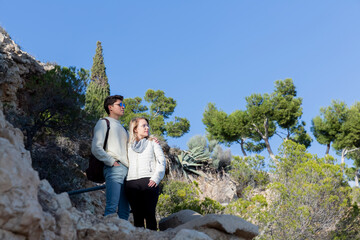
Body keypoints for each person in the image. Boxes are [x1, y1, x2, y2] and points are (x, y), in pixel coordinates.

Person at [91, 95, 130, 220]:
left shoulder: (124, 128)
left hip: (128, 171)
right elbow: (96, 147)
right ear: (110, 107)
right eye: (120, 105)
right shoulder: (104, 122)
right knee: (111, 208)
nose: (123, 107)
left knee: (125, 212)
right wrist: (112, 162)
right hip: (115, 168)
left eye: (123, 105)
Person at [125, 117, 166, 230]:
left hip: (149, 182)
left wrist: (156, 178)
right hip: (131, 183)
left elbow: (161, 161)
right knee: (137, 218)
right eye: (143, 125)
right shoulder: (128, 145)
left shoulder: (152, 142)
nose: (147, 128)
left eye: (147, 125)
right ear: (135, 129)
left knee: (150, 216)